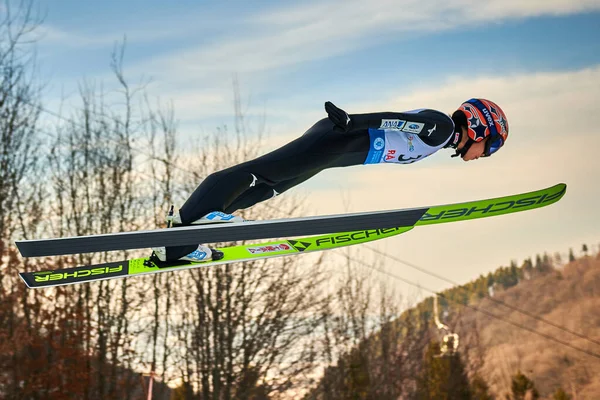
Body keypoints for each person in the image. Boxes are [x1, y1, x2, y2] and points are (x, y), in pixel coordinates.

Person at [150, 98, 509, 265]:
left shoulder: (443, 138)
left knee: (271, 186)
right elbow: (395, 121)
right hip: (340, 139)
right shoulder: (443, 127)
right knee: (263, 170)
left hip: (343, 153)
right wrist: (352, 121)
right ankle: (191, 222)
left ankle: (181, 240)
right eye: (488, 146)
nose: (484, 154)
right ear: (478, 128)